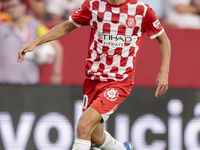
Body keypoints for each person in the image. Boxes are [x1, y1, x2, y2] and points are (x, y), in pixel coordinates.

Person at [18, 0, 171, 149]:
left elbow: (164, 40)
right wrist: (36, 42)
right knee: (94, 138)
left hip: (118, 82)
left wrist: (164, 71)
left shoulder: (142, 10)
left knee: (83, 124)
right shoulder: (93, 5)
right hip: (93, 79)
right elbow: (66, 27)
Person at [0, 0, 63, 85]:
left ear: (23, 7)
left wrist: (56, 74)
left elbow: (58, 48)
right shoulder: (2, 29)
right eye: (8, 7)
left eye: (14, 6)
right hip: (5, 84)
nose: (11, 9)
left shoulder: (36, 26)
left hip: (29, 84)